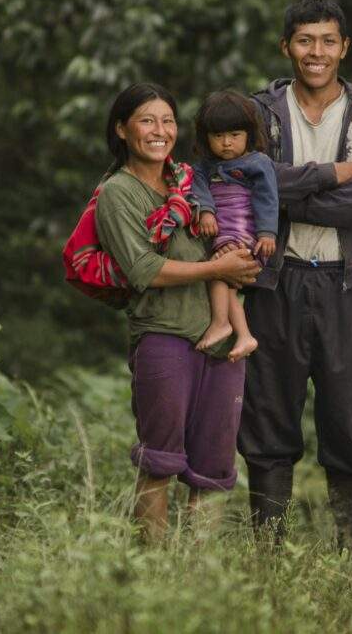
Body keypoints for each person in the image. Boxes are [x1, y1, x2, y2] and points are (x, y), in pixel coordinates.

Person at [239, 0, 352, 556]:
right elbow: (241, 182)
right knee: (267, 418)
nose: (317, 52)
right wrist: (330, 175)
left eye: (328, 41)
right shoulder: (258, 112)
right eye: (305, 40)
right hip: (274, 280)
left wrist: (284, 193)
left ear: (344, 48)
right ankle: (267, 557)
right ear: (286, 46)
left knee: (348, 420)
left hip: (347, 283)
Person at [93, 82, 262, 541]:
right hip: (164, 336)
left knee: (214, 471)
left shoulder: (190, 181)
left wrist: (242, 258)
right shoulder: (118, 193)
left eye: (167, 121)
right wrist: (218, 267)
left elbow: (234, 225)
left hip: (224, 346)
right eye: (147, 120)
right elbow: (143, 269)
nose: (159, 130)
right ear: (122, 129)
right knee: (160, 461)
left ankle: (196, 573)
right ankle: (154, 570)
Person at [191, 89, 278, 361]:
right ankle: (244, 335)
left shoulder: (258, 163)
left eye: (234, 135)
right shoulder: (204, 166)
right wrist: (206, 212)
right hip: (221, 231)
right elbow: (198, 188)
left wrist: (267, 233)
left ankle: (220, 323)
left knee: (218, 269)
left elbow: (267, 198)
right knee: (225, 282)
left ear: (249, 134)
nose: (226, 143)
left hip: (243, 232)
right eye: (218, 136)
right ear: (206, 137)